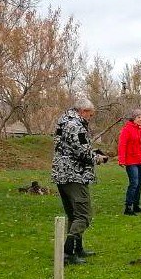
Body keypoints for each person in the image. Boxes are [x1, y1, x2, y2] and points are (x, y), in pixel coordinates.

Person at [51, 98, 109, 264]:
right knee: (83, 215)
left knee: (73, 215)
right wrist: (99, 158)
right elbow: (83, 153)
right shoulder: (76, 126)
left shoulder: (62, 122)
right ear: (82, 111)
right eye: (89, 115)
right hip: (75, 175)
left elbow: (65, 146)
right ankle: (68, 253)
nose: (89, 118)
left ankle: (78, 248)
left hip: (61, 174)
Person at [118, 109, 141, 215]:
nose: (140, 119)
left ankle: (136, 205)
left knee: (139, 184)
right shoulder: (127, 129)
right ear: (133, 118)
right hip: (131, 160)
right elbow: (122, 145)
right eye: (138, 117)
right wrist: (121, 160)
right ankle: (128, 207)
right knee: (134, 183)